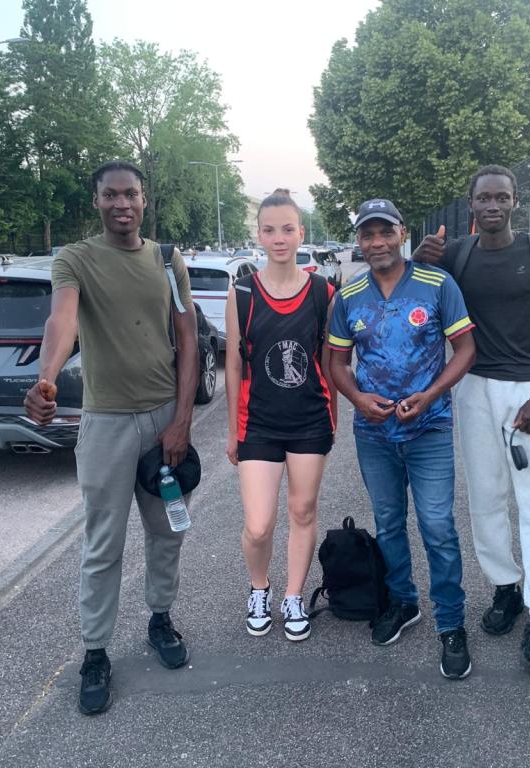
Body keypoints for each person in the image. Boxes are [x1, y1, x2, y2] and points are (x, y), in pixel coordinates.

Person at [24, 160, 198, 715]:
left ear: (145, 200)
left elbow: (188, 339)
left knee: (167, 531)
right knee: (103, 545)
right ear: (96, 201)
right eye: (111, 195)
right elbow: (62, 321)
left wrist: (182, 420)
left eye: (131, 194)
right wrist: (46, 378)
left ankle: (160, 619)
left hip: (163, 419)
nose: (122, 204)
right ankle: (95, 651)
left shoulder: (166, 259)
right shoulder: (75, 259)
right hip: (106, 425)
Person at [412, 164, 530, 672]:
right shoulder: (458, 255)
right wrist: (418, 258)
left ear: (514, 202)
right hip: (474, 387)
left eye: (501, 197)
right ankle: (506, 588)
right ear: (471, 204)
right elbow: (415, 292)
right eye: (483, 198)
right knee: (485, 499)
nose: (492, 205)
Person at [327, 198, 476, 679]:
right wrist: (357, 398)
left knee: (437, 526)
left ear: (402, 233)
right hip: (374, 433)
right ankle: (404, 601)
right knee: (389, 523)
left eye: (385, 232)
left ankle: (451, 623)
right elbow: (336, 363)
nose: (377, 243)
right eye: (367, 234)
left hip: (429, 428)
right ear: (359, 241)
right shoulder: (349, 296)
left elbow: (466, 348)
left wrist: (431, 395)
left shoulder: (437, 284)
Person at [224, 188, 337, 642]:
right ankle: (259, 588)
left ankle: (293, 596)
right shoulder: (243, 292)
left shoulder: (322, 292)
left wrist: (333, 417)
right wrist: (232, 431)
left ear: (300, 233)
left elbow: (329, 363)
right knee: (258, 524)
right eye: (269, 230)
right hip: (259, 424)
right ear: (259, 235)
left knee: (302, 511)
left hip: (309, 420)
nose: (279, 238)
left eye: (287, 229)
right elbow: (234, 365)